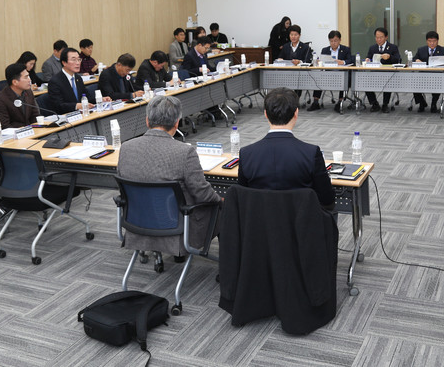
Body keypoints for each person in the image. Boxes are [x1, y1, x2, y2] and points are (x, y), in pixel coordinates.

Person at [116, 95, 221, 256]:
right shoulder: (185, 152)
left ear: (147, 121)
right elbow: (202, 194)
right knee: (224, 208)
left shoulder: (126, 148)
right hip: (177, 227)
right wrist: (220, 200)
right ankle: (228, 264)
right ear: (176, 123)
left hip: (138, 222)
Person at [238, 87, 335, 210]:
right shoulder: (311, 153)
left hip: (259, 220)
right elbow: (327, 200)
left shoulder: (246, 154)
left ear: (265, 114)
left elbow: (243, 197)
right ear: (296, 113)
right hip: (302, 220)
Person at [47, 47, 104, 114]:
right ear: (64, 62)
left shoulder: (78, 78)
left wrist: (100, 100)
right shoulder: (55, 81)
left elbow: (86, 98)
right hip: (68, 116)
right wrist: (76, 106)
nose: (78, 63)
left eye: (79, 59)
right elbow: (59, 106)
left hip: (82, 114)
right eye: (73, 60)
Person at [309, 30, 353, 112]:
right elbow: (322, 62)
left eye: (335, 41)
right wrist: (319, 62)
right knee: (318, 77)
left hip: (341, 73)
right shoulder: (325, 50)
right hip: (328, 73)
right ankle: (315, 102)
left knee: (345, 78)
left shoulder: (345, 49)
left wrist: (343, 62)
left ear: (340, 40)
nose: (333, 43)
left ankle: (340, 102)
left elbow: (350, 60)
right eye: (331, 41)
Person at [412, 31, 444, 113]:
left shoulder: (443, 50)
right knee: (414, 83)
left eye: (434, 41)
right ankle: (422, 103)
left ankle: (434, 103)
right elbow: (414, 59)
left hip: (437, 76)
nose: (432, 43)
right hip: (423, 76)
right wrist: (416, 60)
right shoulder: (421, 50)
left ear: (437, 41)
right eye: (429, 41)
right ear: (426, 41)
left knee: (438, 82)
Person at [0, 63, 40, 128]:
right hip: (15, 133)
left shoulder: (28, 92)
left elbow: (35, 116)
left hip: (31, 130)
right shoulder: (0, 100)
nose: (29, 80)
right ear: (15, 82)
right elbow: (4, 126)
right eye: (26, 77)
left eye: (28, 76)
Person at [364, 27, 400, 113]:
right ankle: (374, 103)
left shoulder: (393, 47)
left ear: (386, 37)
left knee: (388, 81)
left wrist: (389, 57)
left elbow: (398, 60)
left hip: (388, 74)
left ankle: (385, 104)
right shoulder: (372, 48)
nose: (379, 39)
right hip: (374, 73)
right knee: (364, 82)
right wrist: (367, 60)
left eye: (381, 37)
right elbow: (369, 58)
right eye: (377, 37)